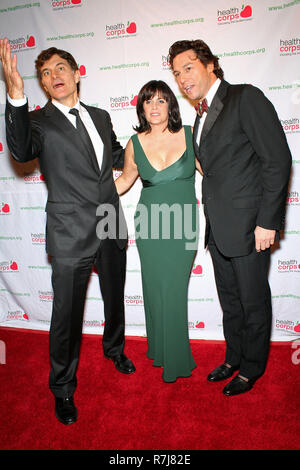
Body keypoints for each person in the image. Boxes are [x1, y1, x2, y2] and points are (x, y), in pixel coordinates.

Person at [0, 38, 135, 425]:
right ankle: (62, 387)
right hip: (69, 230)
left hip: (110, 220)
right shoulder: (37, 122)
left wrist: (145, 149)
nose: (54, 76)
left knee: (115, 297)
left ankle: (115, 350)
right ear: (41, 85)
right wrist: (15, 98)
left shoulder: (100, 115)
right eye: (45, 73)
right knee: (66, 316)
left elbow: (112, 156)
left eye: (61, 68)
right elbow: (22, 150)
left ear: (77, 74)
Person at [169, 39, 292, 396]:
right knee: (231, 302)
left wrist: (267, 222)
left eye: (188, 68)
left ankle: (252, 368)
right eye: (177, 73)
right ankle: (234, 356)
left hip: (251, 228)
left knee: (253, 301)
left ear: (210, 65)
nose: (182, 79)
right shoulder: (199, 116)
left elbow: (277, 159)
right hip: (219, 230)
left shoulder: (244, 98)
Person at [115, 80, 202, 382]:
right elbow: (125, 180)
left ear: (170, 106)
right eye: (148, 101)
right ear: (141, 107)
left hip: (183, 223)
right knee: (155, 288)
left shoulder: (191, 135)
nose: (154, 106)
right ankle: (161, 350)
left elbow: (213, 173)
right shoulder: (134, 143)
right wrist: (88, 196)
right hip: (150, 223)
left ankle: (174, 357)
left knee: (175, 289)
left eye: (161, 100)